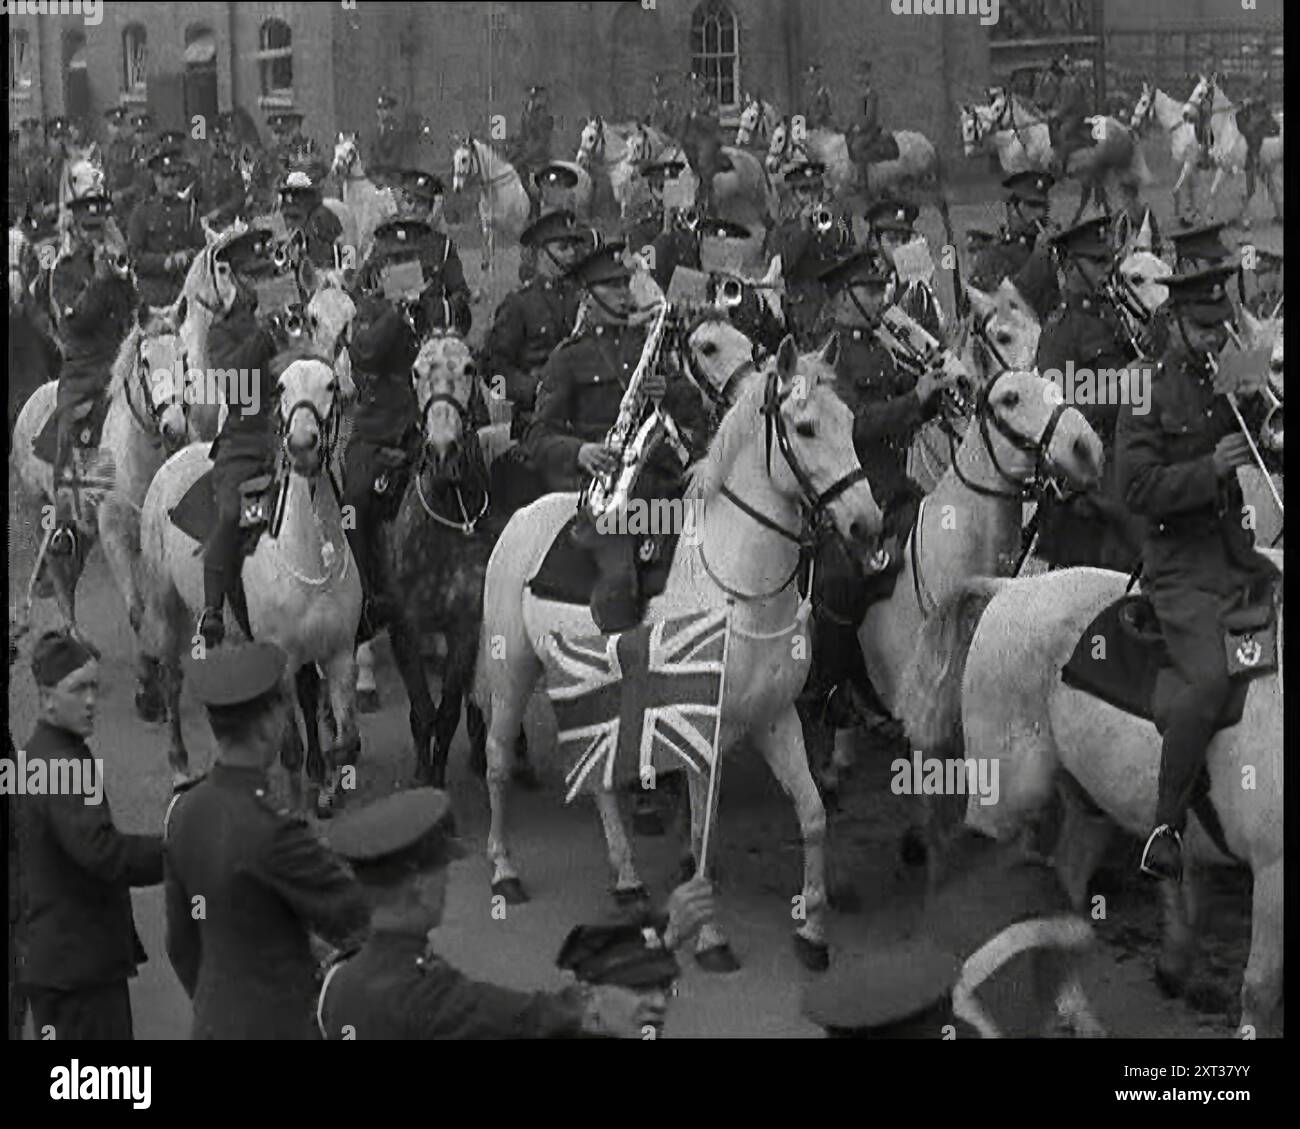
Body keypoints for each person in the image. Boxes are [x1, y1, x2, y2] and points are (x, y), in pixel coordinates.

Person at [1116, 264, 1280, 883]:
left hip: (1234, 555)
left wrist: (1268, 429)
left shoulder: (1226, 375)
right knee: (1212, 679)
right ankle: (1166, 825)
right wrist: (1209, 469)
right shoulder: (1140, 387)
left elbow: (1264, 436)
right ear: (1176, 323)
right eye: (1205, 328)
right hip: (1179, 566)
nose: (1216, 338)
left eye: (1220, 326)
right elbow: (1134, 487)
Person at [317, 788, 715, 1038]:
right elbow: (537, 1017)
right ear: (419, 884)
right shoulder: (427, 997)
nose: (449, 882)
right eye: (441, 870)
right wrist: (661, 938)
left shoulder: (339, 982)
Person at [164, 642, 371, 1039]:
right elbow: (357, 921)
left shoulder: (184, 812)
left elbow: (181, 945)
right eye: (283, 710)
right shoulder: (273, 830)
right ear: (267, 724)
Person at [797, 247, 960, 736]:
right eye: (869, 289)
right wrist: (915, 400)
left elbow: (905, 410)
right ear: (842, 297)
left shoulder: (884, 344)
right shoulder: (825, 356)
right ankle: (834, 689)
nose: (881, 296)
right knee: (840, 583)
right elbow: (853, 427)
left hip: (895, 489)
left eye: (881, 287)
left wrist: (934, 397)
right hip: (846, 500)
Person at [525, 242, 709, 632]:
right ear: (588, 297)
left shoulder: (649, 345)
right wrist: (581, 452)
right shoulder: (568, 357)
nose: (625, 295)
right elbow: (537, 436)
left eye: (625, 285)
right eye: (612, 287)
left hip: (660, 479)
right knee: (620, 581)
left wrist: (669, 392)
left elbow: (695, 410)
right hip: (606, 492)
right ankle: (616, 662)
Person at [16, 630, 163, 1040]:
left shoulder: (42, 753)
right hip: (78, 972)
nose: (91, 700)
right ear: (46, 698)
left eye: (94, 687)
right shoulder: (60, 763)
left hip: (64, 964)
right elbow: (102, 852)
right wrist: (175, 849)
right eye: (77, 689)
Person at [1033, 215, 1143, 572]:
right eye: (1096, 261)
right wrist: (1121, 389)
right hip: (1093, 468)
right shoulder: (1059, 330)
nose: (1107, 269)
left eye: (1108, 259)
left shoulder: (1113, 314)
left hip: (1133, 447)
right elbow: (1059, 414)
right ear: (1069, 265)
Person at [196, 226, 283, 648]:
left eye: (267, 271)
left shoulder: (295, 312)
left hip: (305, 435)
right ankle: (213, 611)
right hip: (248, 441)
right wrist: (265, 337)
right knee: (233, 516)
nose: (264, 281)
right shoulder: (223, 330)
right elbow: (235, 387)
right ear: (238, 279)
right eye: (255, 274)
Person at [40, 193, 137, 561]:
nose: (96, 234)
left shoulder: (115, 266)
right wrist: (98, 281)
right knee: (69, 431)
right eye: (89, 227)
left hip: (119, 363)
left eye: (101, 227)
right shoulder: (63, 270)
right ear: (76, 229)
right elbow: (74, 322)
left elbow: (132, 310)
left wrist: (122, 278)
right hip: (83, 371)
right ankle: (65, 520)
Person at [486, 208, 588, 442]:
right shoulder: (518, 304)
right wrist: (529, 389)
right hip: (535, 421)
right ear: (542, 253)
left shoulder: (582, 299)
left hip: (583, 416)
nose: (572, 254)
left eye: (573, 247)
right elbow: (493, 373)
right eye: (563, 248)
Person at [765, 161, 849, 348]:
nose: (812, 196)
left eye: (816, 188)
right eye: (804, 190)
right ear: (794, 195)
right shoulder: (783, 230)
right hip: (802, 308)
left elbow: (848, 250)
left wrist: (831, 228)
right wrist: (803, 230)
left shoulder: (837, 221)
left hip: (834, 303)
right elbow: (784, 266)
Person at [969, 171, 1059, 315]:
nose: (1041, 213)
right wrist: (1038, 259)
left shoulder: (1046, 251)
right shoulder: (992, 255)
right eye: (1032, 205)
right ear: (1012, 208)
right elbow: (1009, 302)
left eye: (1044, 206)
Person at [127, 147, 204, 307]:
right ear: (155, 178)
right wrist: (165, 262)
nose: (169, 182)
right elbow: (134, 257)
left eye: (174, 176)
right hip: (150, 290)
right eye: (164, 176)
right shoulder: (142, 212)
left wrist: (188, 255)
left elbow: (201, 249)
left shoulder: (188, 209)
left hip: (183, 288)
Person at [865, 194, 942, 338]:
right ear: (874, 241)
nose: (900, 246)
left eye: (905, 239)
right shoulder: (861, 278)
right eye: (893, 239)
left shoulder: (913, 283)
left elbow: (936, 331)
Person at [276, 168, 345, 272]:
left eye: (295, 194)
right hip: (316, 268)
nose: (293, 199)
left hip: (328, 268)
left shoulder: (321, 214)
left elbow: (342, 240)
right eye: (291, 195)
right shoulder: (306, 217)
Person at [1043, 54, 1090, 179]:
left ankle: (1062, 167)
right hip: (1068, 114)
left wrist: (1055, 114)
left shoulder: (1067, 84)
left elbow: (1067, 105)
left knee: (1063, 132)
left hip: (1076, 115)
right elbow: (1058, 103)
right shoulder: (1061, 84)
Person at [201, 113, 250, 228]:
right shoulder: (204, 164)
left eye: (221, 141)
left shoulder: (231, 165)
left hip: (227, 223)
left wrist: (219, 211)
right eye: (214, 141)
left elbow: (238, 197)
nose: (218, 146)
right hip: (205, 224)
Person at [368, 91, 414, 173]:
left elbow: (395, 157)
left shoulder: (397, 129)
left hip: (392, 173)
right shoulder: (376, 129)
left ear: (390, 110)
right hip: (377, 173)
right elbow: (372, 153)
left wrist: (383, 170)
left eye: (385, 108)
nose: (381, 111)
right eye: (379, 108)